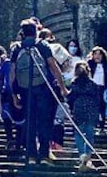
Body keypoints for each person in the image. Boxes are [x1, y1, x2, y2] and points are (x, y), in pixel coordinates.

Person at [10, 19, 68, 165]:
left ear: (23, 32)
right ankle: (43, 154)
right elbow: (54, 67)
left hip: (25, 90)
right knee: (44, 121)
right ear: (35, 31)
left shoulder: (17, 48)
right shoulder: (42, 45)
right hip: (44, 89)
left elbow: (11, 74)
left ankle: (30, 155)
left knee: (29, 121)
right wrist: (62, 87)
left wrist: (14, 94)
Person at [67, 61, 101, 171]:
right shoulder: (93, 84)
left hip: (79, 110)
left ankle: (82, 154)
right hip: (91, 110)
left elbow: (70, 99)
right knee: (89, 133)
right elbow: (98, 99)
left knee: (78, 133)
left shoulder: (74, 84)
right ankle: (88, 155)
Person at [87, 46, 107, 134]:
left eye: (99, 54)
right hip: (92, 88)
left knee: (102, 108)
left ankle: (102, 126)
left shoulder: (106, 67)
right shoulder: (89, 65)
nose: (97, 56)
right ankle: (92, 125)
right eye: (95, 54)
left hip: (102, 89)